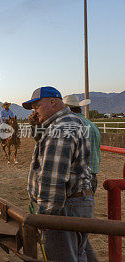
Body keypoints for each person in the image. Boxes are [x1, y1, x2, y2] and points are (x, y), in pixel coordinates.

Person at [22, 86, 94, 262]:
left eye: (37, 106)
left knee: (61, 256)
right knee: (77, 254)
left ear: (52, 102)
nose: (34, 111)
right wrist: (36, 125)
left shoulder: (60, 129)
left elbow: (53, 178)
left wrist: (45, 217)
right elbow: (43, 141)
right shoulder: (68, 122)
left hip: (65, 206)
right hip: (77, 201)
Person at [63, 94, 101, 262]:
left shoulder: (71, 126)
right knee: (82, 229)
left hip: (77, 180)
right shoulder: (92, 126)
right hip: (92, 177)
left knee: (71, 230)